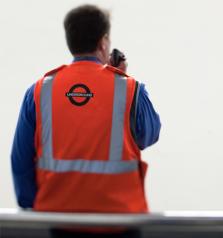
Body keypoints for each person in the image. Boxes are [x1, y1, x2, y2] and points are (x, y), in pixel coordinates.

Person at [11, 4, 161, 237]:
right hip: (119, 219)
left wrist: (33, 206)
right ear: (103, 42)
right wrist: (121, 77)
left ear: (71, 41)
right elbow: (148, 136)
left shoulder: (39, 91)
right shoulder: (129, 89)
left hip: (60, 219)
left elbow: (20, 159)